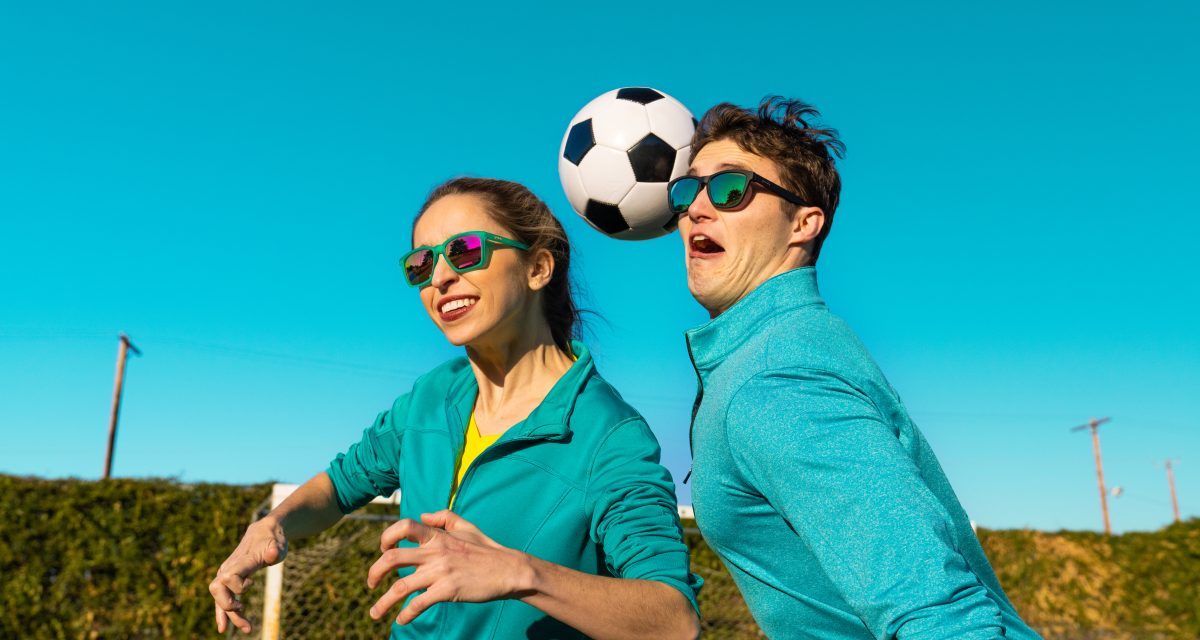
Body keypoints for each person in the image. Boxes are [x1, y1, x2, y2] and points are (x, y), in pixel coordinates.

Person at [210, 177, 701, 640]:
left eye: (465, 251)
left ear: (538, 268)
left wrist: (519, 573)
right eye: (421, 264)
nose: (440, 276)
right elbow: (338, 486)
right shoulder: (431, 397)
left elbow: (674, 619)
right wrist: (273, 525)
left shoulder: (609, 434)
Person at [669, 98, 1040, 639]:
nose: (698, 209)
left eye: (731, 190)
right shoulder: (782, 351)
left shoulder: (778, 380)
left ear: (803, 223)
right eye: (688, 191)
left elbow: (939, 613)